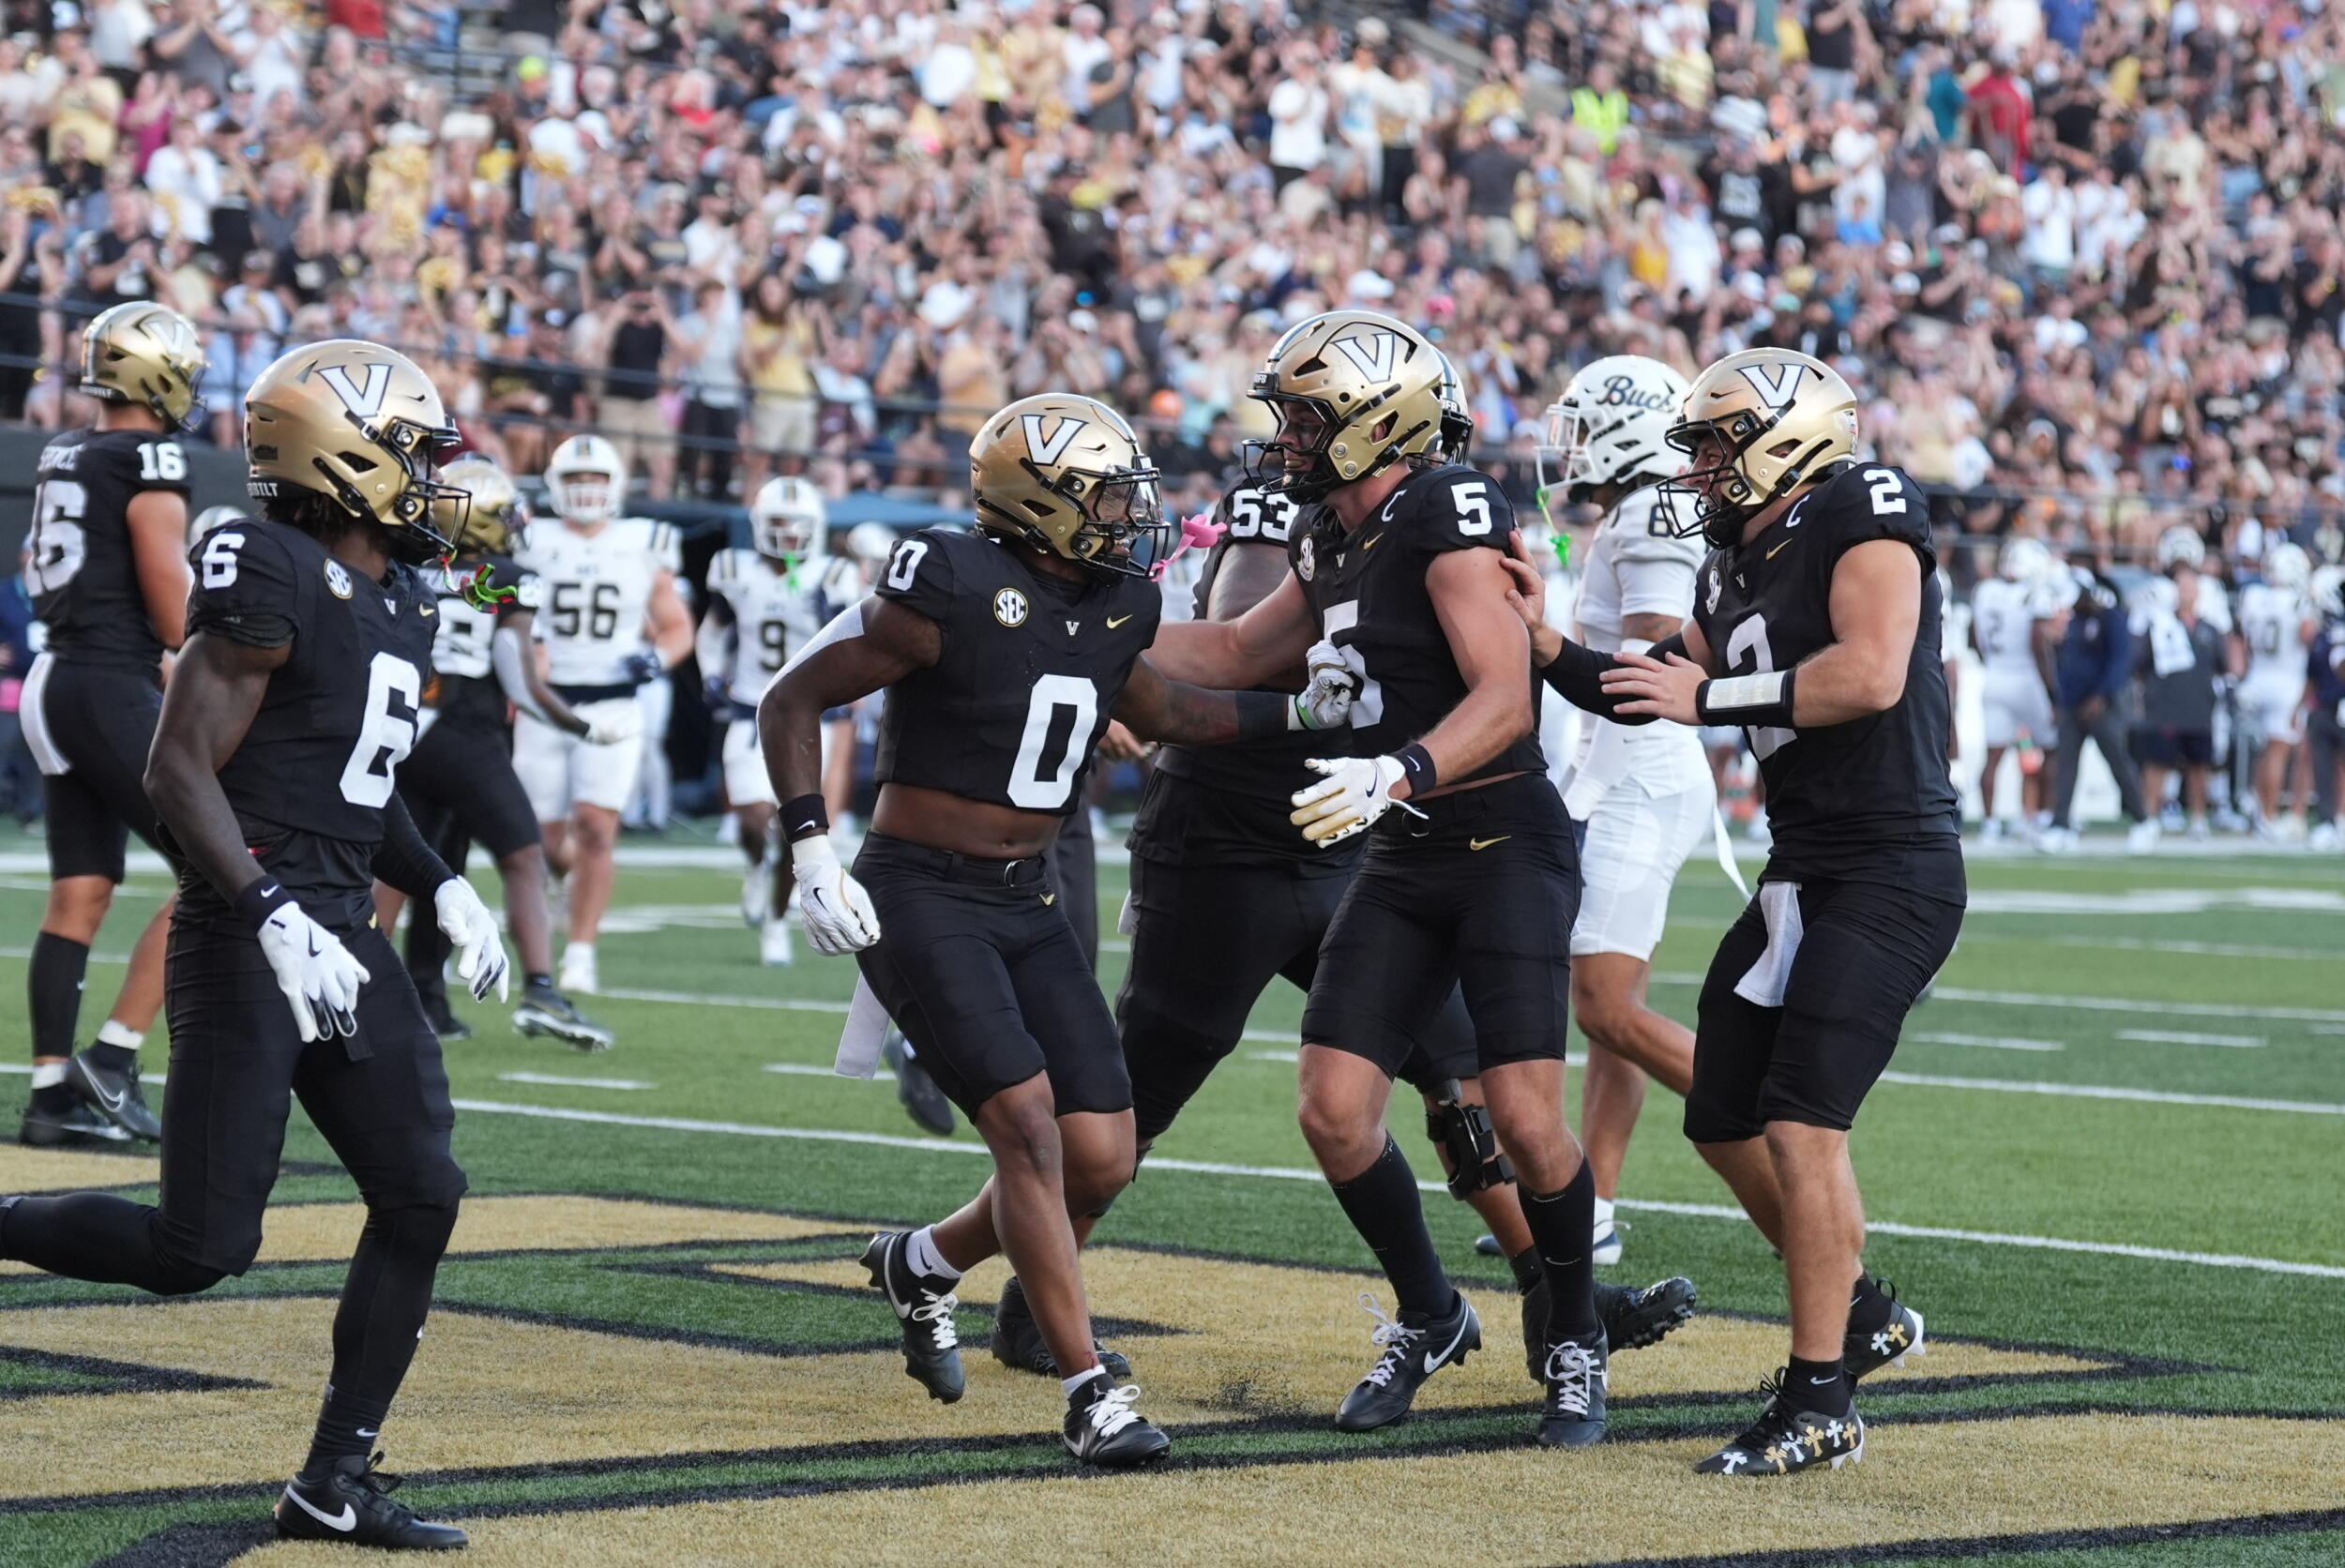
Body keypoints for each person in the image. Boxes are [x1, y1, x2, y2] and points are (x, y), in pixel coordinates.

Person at [760, 393, 1354, 1468]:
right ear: (1038, 501)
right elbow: (792, 700)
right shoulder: (945, 577)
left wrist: (1301, 713)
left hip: (1027, 896)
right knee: (1028, 1129)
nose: (1133, 511)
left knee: (1102, 1153)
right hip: (925, 891)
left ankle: (922, 1264)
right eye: (1108, 492)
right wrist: (810, 850)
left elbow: (1170, 710)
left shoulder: (1122, 596)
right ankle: (1091, 1394)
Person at [1097, 358, 1693, 1391]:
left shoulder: (1445, 508)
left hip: (1490, 835)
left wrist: (1399, 768)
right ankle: (1446, 1313)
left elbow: (1505, 698)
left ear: (1374, 425)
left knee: (1513, 1112)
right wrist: (1082, 631)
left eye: (1302, 418)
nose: (1281, 437)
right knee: (1334, 1106)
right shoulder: (1327, 527)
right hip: (1391, 842)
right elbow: (1238, 645)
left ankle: (1568, 1328)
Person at [1, 339, 508, 1549]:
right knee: (201, 1246)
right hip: (248, 929)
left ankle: (334, 1477)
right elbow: (175, 764)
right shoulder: (262, 558)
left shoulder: (401, 591)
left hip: (337, 926)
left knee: (423, 1190)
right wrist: (272, 910)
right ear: (343, 455)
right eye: (413, 454)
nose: (433, 479)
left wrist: (439, 886)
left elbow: (354, 777)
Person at [1543, 348, 1962, 1474]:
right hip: (1802, 869)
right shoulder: (1737, 554)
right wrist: (1531, 640)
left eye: (1721, 442)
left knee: (1802, 1124)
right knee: (1721, 1113)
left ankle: (1821, 1392)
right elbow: (1638, 676)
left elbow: (1868, 672)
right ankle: (1860, 1311)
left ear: (1789, 437)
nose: (1702, 465)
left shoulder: (1862, 507)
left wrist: (1708, 693)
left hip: (1889, 868)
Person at [1530, 355, 1715, 1270]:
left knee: (1602, 1006)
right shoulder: (1632, 513)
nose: (1566, 448)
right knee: (1614, 1008)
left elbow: (1649, 673)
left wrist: (1540, 639)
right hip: (1621, 777)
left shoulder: (1650, 512)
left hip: (1637, 777)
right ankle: (1591, 1204)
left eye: (1581, 424)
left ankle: (1756, 1117)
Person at [17, 302, 204, 1148]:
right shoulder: (148, 459)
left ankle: (51, 1091)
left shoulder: (70, 450)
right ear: (155, 373)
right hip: (103, 679)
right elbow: (173, 619)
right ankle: (116, 1054)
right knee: (216, 865)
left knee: (81, 892)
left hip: (52, 675)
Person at [373, 455, 613, 1051]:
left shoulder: (413, 567)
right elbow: (521, 681)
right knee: (524, 856)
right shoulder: (506, 575)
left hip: (406, 732)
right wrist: (581, 727)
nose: (512, 523)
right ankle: (540, 990)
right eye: (502, 513)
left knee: (409, 869)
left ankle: (367, 987)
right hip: (466, 734)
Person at [512, 434, 692, 995]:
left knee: (595, 827)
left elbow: (677, 627)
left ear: (614, 486)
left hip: (613, 701)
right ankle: (569, 892)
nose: (585, 491)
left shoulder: (643, 542)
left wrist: (656, 658)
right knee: (538, 840)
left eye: (594, 480)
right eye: (574, 480)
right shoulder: (530, 540)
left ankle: (582, 952)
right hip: (546, 702)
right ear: (554, 487)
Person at [698, 475, 837, 965]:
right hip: (750, 707)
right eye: (779, 522)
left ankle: (777, 924)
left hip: (809, 716)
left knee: (793, 827)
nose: (789, 533)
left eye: (797, 524)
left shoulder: (833, 574)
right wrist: (711, 673)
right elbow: (713, 631)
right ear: (759, 525)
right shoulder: (736, 569)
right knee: (753, 820)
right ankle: (755, 866)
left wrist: (833, 615)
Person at [2041, 563, 2152, 853]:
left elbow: (2120, 661)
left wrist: (2101, 696)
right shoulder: (2073, 622)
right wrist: (2060, 700)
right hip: (2073, 705)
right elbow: (2066, 667)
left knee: (2118, 762)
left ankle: (2142, 819)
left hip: (2103, 706)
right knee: (2065, 766)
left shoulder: (2109, 618)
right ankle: (2060, 825)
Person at [1970, 536, 2060, 843]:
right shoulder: (2033, 592)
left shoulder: (1985, 591)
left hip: (1994, 676)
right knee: (2049, 749)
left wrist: (1992, 662)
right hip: (2026, 678)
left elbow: (1974, 638)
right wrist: (2050, 688)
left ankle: (1990, 825)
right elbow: (2038, 642)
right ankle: (2038, 817)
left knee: (1993, 756)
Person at [2135, 563, 2231, 841]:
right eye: (2182, 587)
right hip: (2166, 705)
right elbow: (2141, 664)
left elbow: (2223, 665)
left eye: (2190, 587)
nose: (2186, 593)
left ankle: (2198, 818)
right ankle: (2148, 818)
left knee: (2199, 765)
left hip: (2199, 705)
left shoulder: (2210, 630)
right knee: (2158, 764)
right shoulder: (2159, 625)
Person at [2235, 542, 2313, 837]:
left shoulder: (2253, 596)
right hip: (2287, 680)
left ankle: (2260, 813)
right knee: (2278, 751)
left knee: (2263, 752)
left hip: (2257, 677)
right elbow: (2307, 636)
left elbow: (2242, 638)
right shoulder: (2299, 600)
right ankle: (2268, 815)